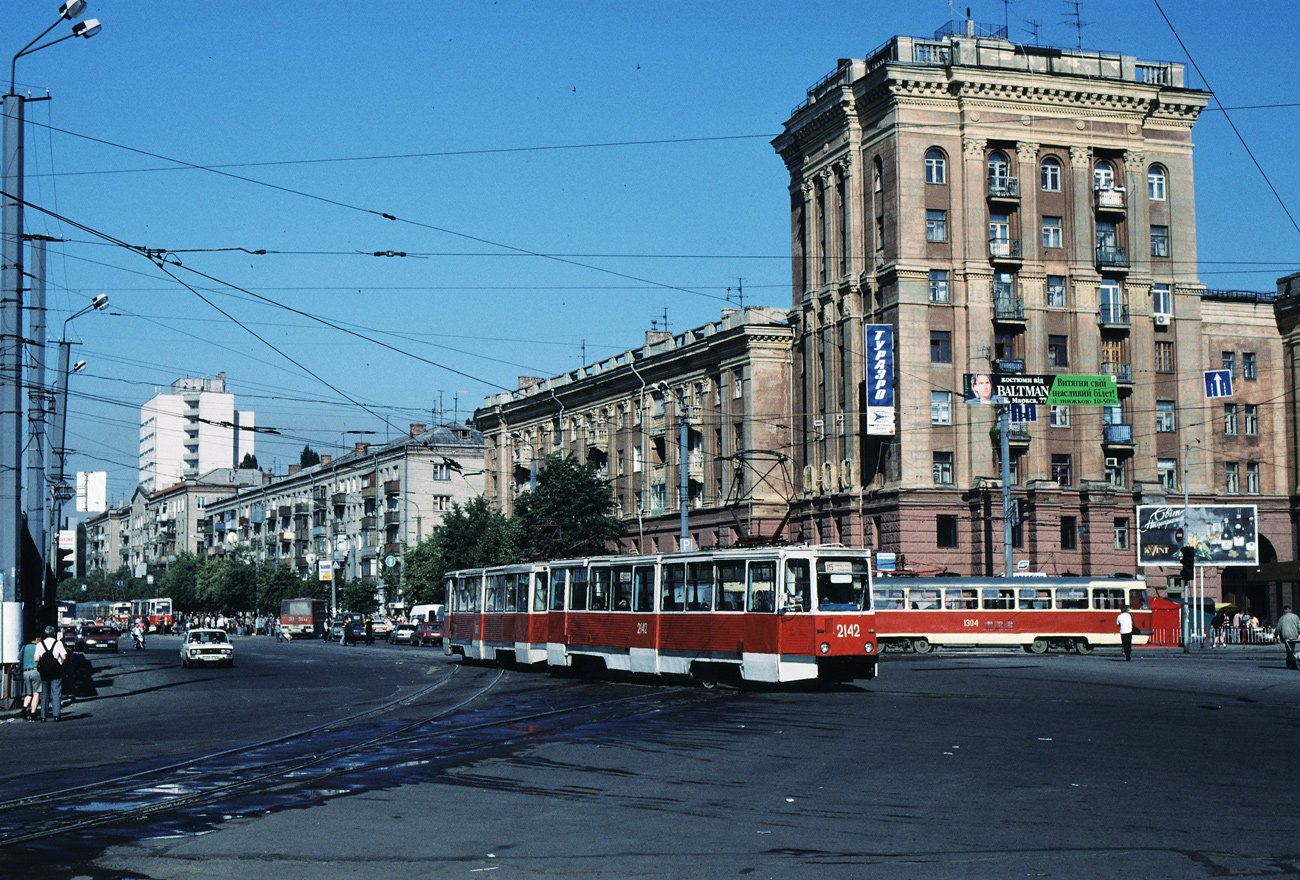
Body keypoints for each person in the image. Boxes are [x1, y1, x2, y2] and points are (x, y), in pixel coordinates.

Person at [33, 625, 69, 721]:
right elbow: (64, 657)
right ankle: (56, 715)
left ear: (45, 633)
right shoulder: (58, 643)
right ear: (53, 633)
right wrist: (59, 662)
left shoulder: (40, 644)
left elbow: (36, 659)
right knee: (56, 692)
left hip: (44, 672)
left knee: (44, 694)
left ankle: (43, 716)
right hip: (56, 671)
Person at [20, 634, 40, 721]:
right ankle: (33, 713)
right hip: (35, 671)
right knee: (36, 693)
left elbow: (19, 657)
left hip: (26, 672)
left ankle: (24, 710)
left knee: (29, 694)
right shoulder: (38, 647)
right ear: (36, 638)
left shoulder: (24, 647)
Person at [1277, 605, 1300, 670]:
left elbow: (1278, 628)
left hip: (1286, 636)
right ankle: (1289, 663)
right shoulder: (1296, 617)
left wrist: (1276, 634)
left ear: (1285, 610)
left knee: (1289, 651)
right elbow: (1299, 626)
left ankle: (1293, 664)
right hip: (1294, 636)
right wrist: (1299, 633)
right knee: (1291, 650)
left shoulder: (1282, 618)